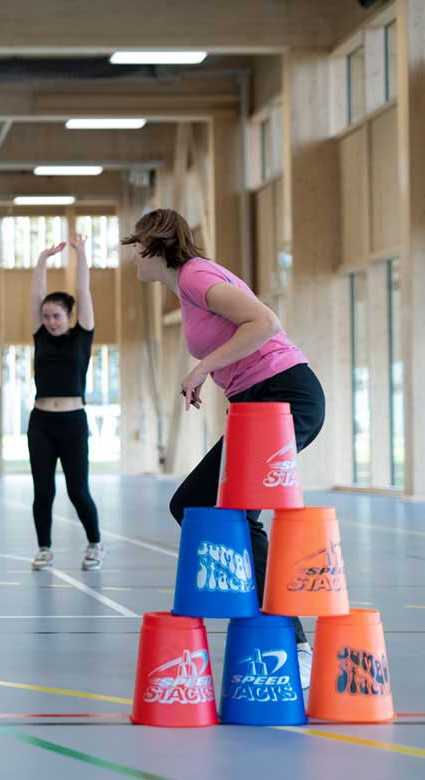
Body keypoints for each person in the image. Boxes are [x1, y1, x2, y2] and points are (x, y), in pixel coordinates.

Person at [122, 207, 324, 687]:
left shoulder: (196, 276)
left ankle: (291, 643)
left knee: (229, 511)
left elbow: (265, 322)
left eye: (136, 250)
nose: (132, 260)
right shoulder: (189, 286)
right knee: (193, 503)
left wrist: (198, 370)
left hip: (285, 396)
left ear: (154, 247)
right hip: (257, 405)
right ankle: (261, 617)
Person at [28, 234, 104, 571]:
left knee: (77, 491)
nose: (50, 321)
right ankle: (44, 548)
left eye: (56, 316)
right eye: (46, 316)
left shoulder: (82, 335)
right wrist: (43, 259)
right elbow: (35, 294)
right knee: (43, 491)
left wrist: (81, 252)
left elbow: (84, 291)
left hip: (73, 422)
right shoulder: (40, 335)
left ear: (69, 316)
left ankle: (94, 544)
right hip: (41, 422)